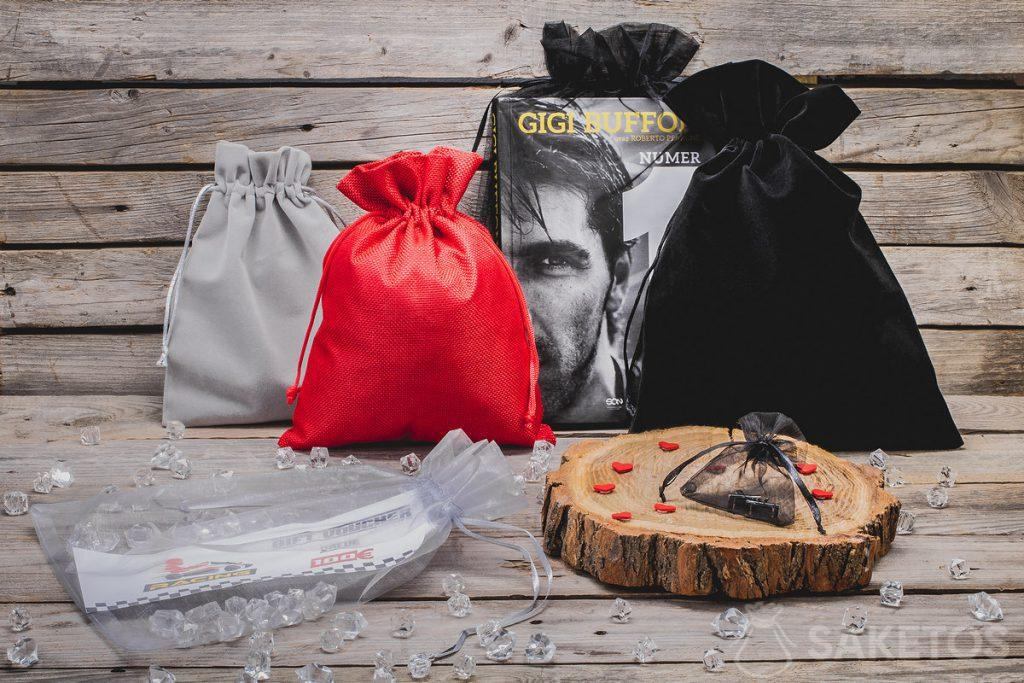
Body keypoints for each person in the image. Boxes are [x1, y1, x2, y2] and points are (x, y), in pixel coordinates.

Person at [500, 101, 634, 425]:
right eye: (492, 265)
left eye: (552, 261)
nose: (517, 310)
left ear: (618, 280)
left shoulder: (670, 410)